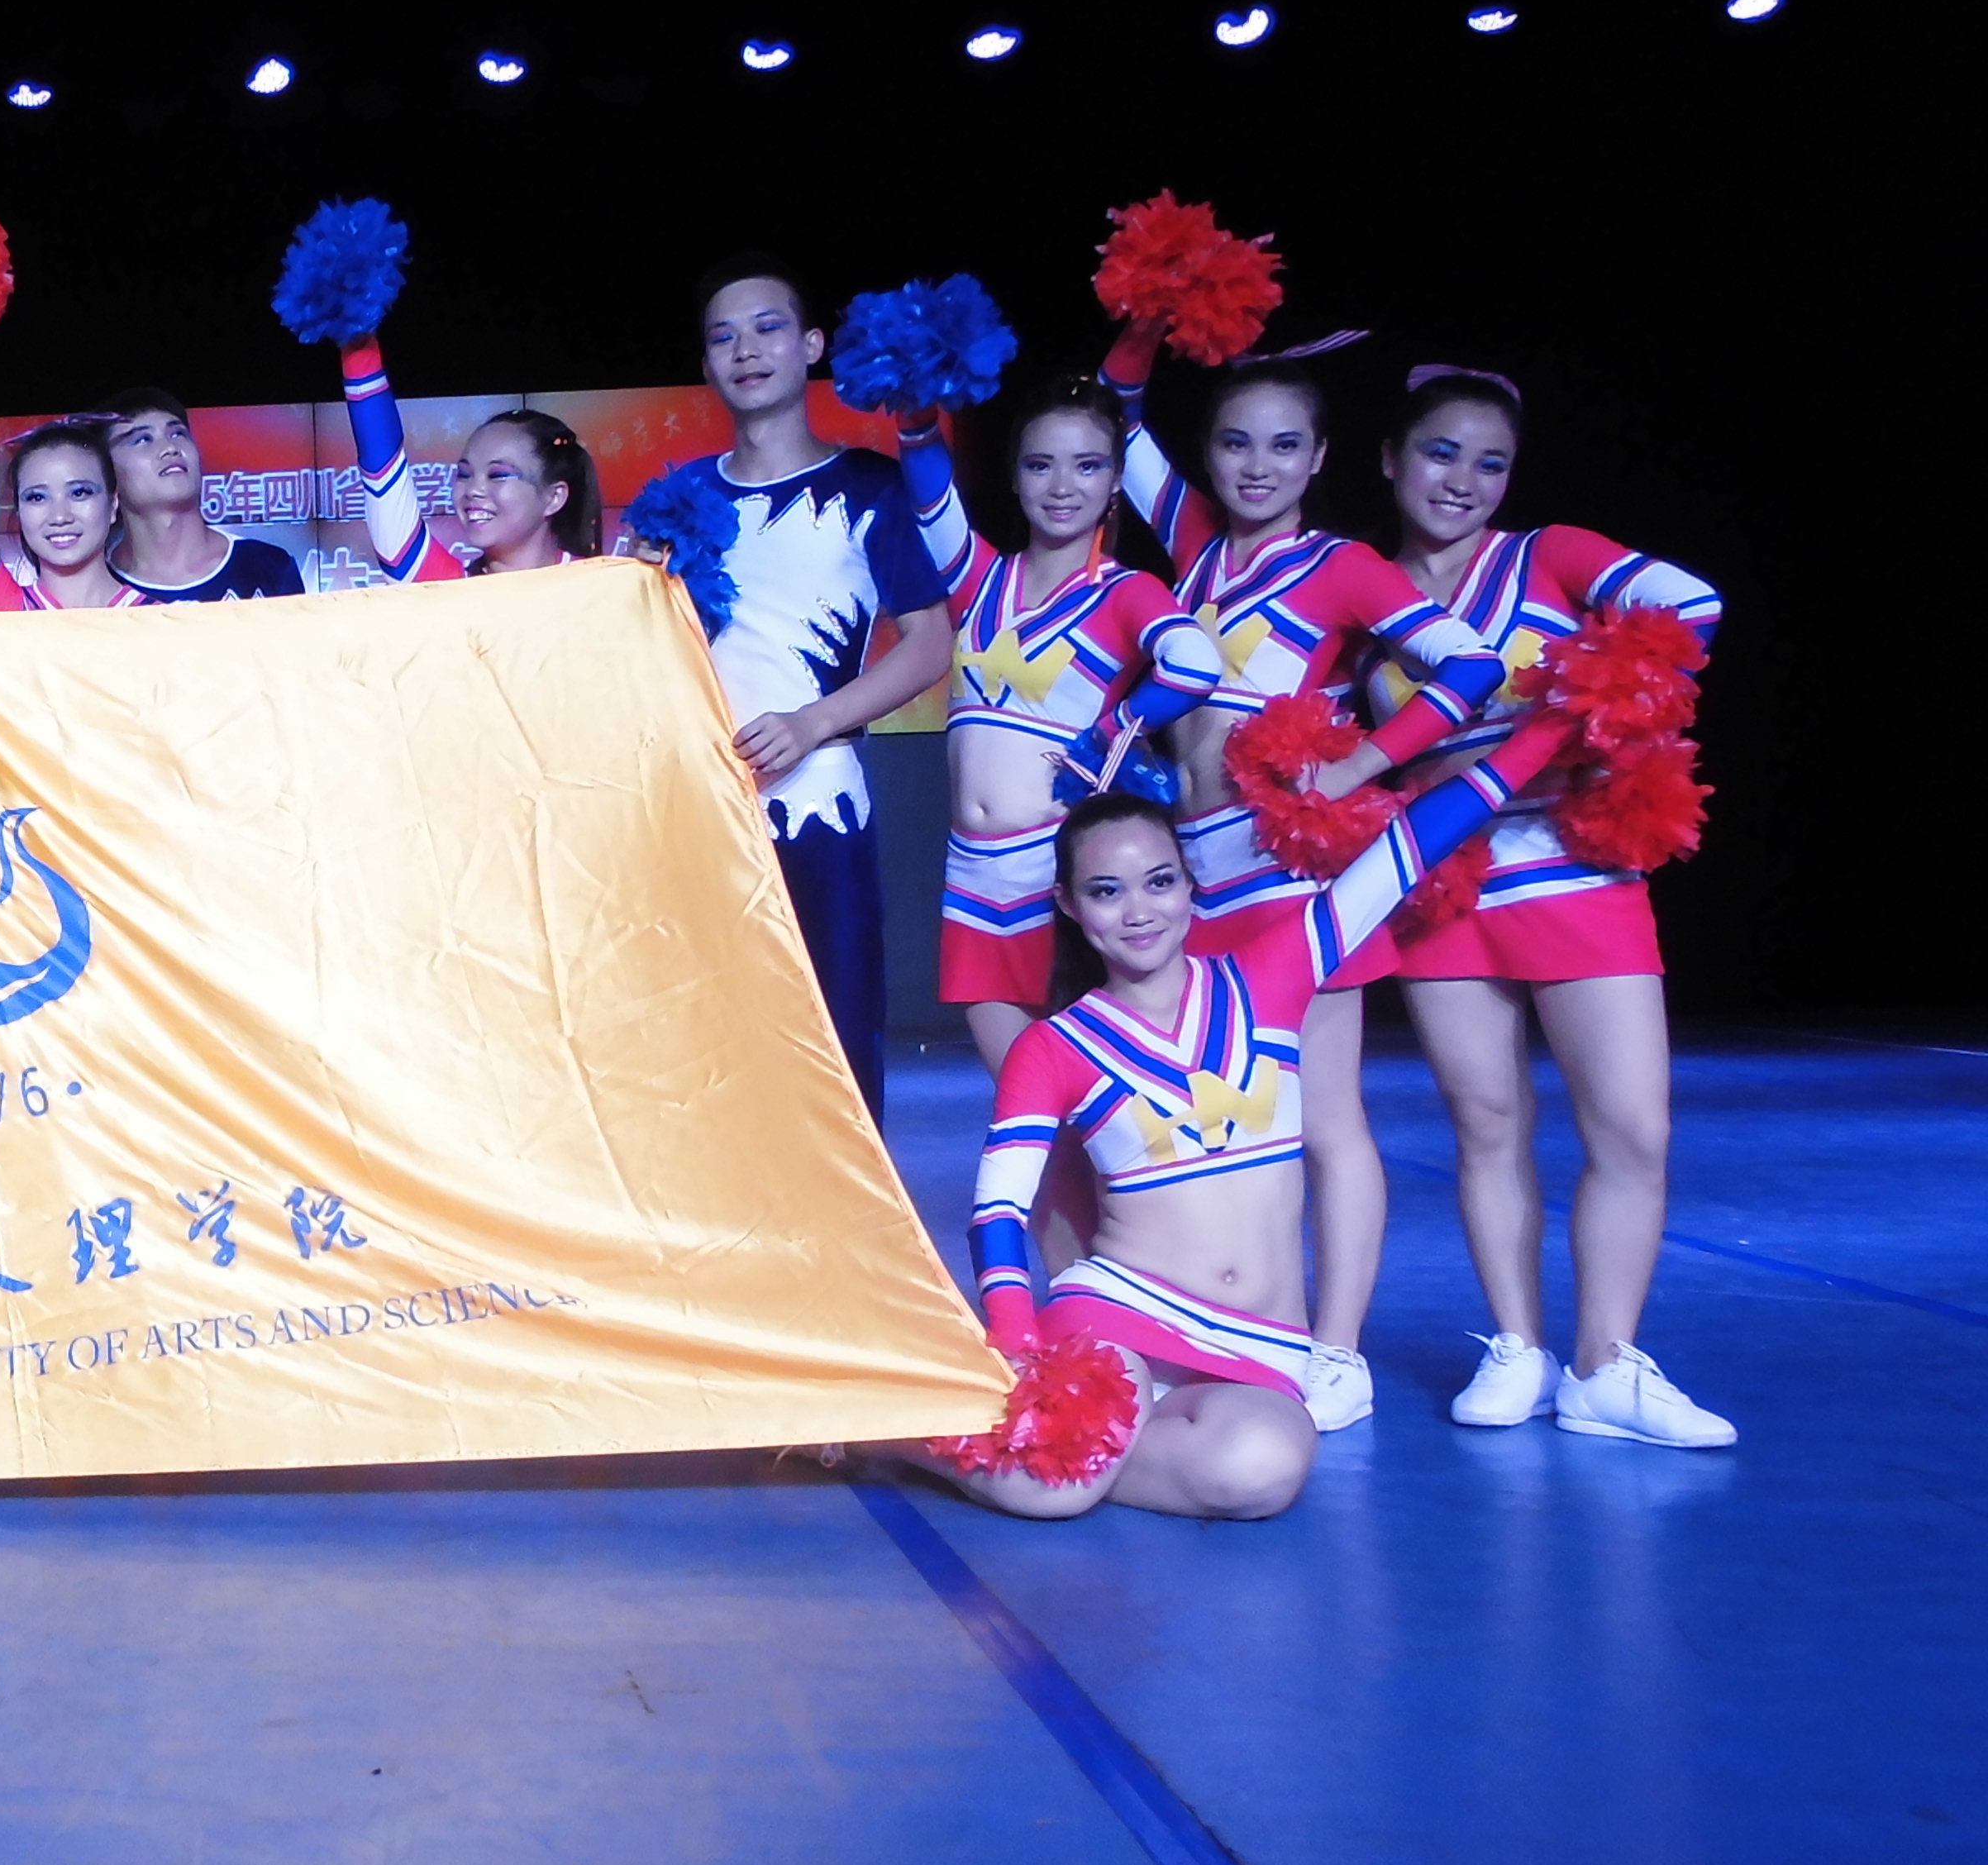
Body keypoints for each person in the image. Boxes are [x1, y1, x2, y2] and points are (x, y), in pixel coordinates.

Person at [934, 708, 1573, 1521]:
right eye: (1106, 891)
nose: (1138, 910)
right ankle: (894, 1434)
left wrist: (1545, 737)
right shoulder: (1056, 1047)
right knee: (1051, 1490)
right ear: (1068, 904)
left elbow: (1409, 848)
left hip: (1256, 1343)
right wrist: (1017, 1335)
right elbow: (997, 1209)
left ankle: (1065, 1454)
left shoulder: (1272, 975)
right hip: (1120, 1315)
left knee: (1260, 1472)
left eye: (1159, 881)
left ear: (1190, 885)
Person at [1107, 357, 1506, 1429]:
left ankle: (1337, 1353)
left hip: (1295, 879)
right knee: (1235, 1122)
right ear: (1208, 452)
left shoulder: (1341, 565)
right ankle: (1245, 1332)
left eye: (1286, 445)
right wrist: (1151, 316)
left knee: (1325, 1120)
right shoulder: (1194, 549)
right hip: (1200, 884)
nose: (1259, 465)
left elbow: (1473, 668)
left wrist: (1362, 763)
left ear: (1321, 457)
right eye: (1236, 442)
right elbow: (1116, 407)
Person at [1368, 370, 1733, 1444]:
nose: (1463, 480)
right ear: (1391, 458)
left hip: (1578, 874)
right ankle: (1519, 1349)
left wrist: (1576, 719)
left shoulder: (1550, 556)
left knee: (1632, 1127)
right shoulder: (1366, 593)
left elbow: (1695, 608)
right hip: (1444, 891)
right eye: (1441, 452)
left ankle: (1605, 1368)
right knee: (1487, 1125)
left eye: (1491, 463)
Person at [640, 259, 955, 1123]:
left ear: (812, 345)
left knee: (836, 1044)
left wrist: (814, 724)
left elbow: (930, 643)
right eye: (723, 337)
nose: (746, 350)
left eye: (768, 328)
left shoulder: (869, 487)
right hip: (698, 812)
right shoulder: (678, 500)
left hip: (821, 804)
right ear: (706, 364)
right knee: (710, 1048)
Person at [892, 379, 1223, 1071]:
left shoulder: (1124, 590)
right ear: (1015, 477)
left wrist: (1111, 732)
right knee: (1020, 1099)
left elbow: (1195, 666)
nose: (1063, 485)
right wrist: (915, 413)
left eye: (1088, 465)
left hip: (1059, 872)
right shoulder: (980, 579)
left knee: (1097, 1099)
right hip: (972, 880)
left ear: (1115, 482)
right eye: (1041, 464)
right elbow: (928, 492)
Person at [100, 388, 307, 601]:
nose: (170, 448)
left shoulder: (269, 566)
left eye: (178, 434)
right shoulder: (100, 588)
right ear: (105, 473)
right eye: (143, 439)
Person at [0, 419, 149, 610]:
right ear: (19, 512)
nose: (59, 517)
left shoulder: (159, 619)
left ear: (113, 504)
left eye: (79, 493)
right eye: (37, 497)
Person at [450, 410, 598, 575]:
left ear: (554, 497)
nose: (473, 490)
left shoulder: (598, 583)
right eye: (464, 474)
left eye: (498, 475)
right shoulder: (445, 586)